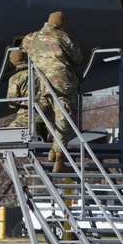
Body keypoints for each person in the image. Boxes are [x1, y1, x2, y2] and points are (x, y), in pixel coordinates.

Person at [21, 11, 83, 172]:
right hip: (62, 84)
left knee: (49, 119)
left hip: (41, 85)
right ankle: (59, 158)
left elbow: (22, 49)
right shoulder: (63, 36)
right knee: (65, 120)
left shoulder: (31, 37)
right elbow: (77, 58)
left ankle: (52, 152)